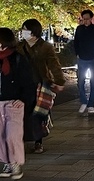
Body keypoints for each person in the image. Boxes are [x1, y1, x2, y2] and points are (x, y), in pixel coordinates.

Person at [0, 27, 35, 179]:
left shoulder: (18, 59)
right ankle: (6, 161)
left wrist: (24, 98)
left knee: (13, 135)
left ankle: (15, 162)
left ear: (3, 40)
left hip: (13, 102)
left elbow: (28, 82)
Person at [18, 18, 65, 155]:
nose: (24, 32)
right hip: (23, 85)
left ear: (34, 31)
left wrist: (59, 81)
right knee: (24, 113)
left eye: (26, 29)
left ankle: (38, 141)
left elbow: (54, 64)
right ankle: (24, 139)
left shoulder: (45, 47)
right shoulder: (19, 47)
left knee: (39, 113)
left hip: (40, 84)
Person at [73, 9, 94, 115]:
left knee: (93, 81)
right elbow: (76, 42)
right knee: (80, 81)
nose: (85, 21)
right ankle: (84, 101)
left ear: (91, 19)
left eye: (87, 19)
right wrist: (77, 54)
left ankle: (91, 104)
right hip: (82, 58)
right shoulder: (79, 29)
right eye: (83, 19)